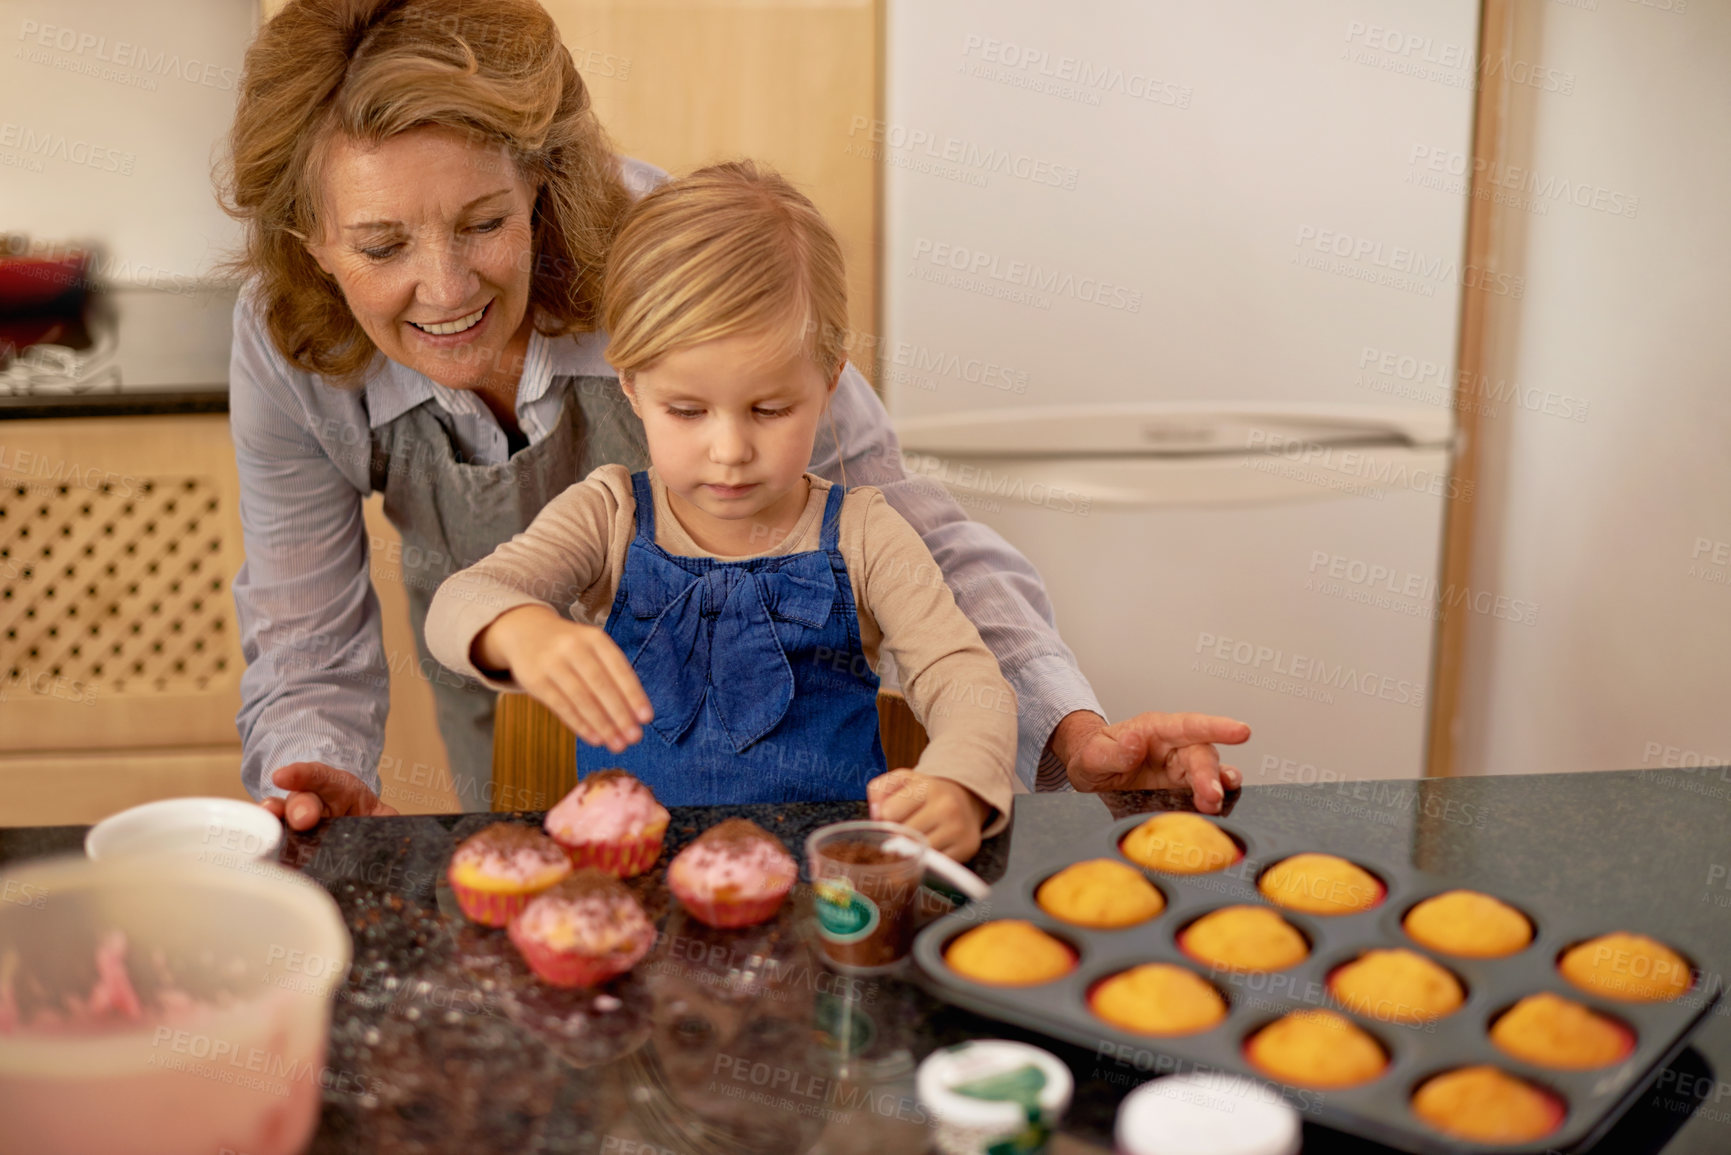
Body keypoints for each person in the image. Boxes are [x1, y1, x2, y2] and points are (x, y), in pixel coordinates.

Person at [217, 0, 1249, 833]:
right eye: (382, 245)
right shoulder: (288, 348)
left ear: (537, 184)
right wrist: (315, 785)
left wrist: (1069, 734)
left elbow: (926, 565)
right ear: (310, 237)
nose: (444, 290)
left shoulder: (686, 269)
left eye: (484, 223)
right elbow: (311, 639)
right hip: (537, 718)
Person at [425, 162, 1018, 860]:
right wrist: (520, 630)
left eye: (770, 409)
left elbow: (965, 678)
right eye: (686, 410)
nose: (729, 449)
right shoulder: (609, 513)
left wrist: (959, 784)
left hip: (823, 901)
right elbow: (457, 602)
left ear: (829, 384)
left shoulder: (865, 533)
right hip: (637, 896)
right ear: (632, 386)